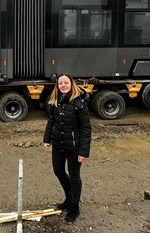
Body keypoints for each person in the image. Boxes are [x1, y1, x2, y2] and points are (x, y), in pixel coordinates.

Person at [42, 73, 92, 223]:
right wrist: (47, 139)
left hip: (74, 147)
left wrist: (83, 151)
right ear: (57, 86)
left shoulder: (79, 103)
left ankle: (74, 208)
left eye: (66, 83)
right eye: (60, 83)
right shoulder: (55, 101)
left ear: (71, 84)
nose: (63, 85)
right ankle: (69, 199)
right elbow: (51, 121)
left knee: (74, 176)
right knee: (58, 171)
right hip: (58, 144)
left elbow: (85, 128)